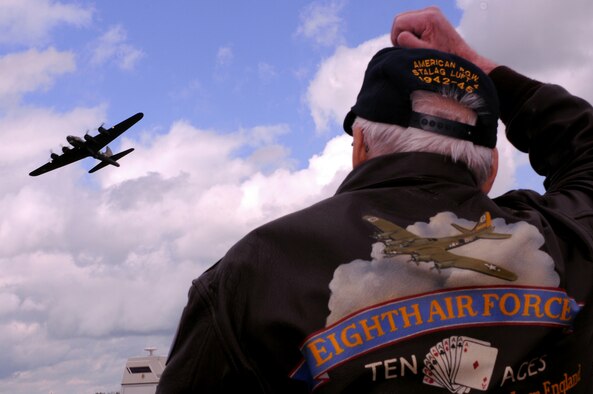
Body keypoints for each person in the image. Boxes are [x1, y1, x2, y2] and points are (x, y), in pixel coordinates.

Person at [157, 7, 593, 393]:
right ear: (491, 169)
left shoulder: (249, 276)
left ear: (360, 145)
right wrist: (477, 65)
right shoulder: (565, 239)